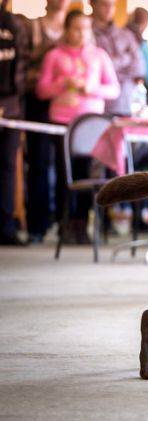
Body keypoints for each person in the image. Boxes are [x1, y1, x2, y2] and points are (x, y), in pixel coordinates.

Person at [36, 10, 120, 243]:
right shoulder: (54, 55)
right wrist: (63, 83)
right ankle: (65, 224)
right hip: (62, 122)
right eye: (76, 28)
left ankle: (83, 224)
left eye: (86, 28)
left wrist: (91, 89)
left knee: (88, 174)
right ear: (67, 29)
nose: (81, 33)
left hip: (91, 124)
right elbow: (41, 90)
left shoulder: (99, 56)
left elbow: (114, 89)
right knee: (65, 174)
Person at [21, 0, 70, 244]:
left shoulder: (75, 27)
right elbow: (23, 63)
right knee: (39, 165)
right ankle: (37, 226)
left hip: (67, 105)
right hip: (38, 102)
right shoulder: (34, 27)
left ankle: (65, 224)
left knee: (65, 167)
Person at [0, 0, 28, 246]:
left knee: (7, 166)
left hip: (10, 106)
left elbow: (20, 67)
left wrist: (13, 105)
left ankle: (6, 226)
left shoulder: (14, 25)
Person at [90, 0, 144, 116]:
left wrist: (112, 75)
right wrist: (125, 58)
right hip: (98, 106)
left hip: (125, 103)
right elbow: (94, 70)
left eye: (112, 5)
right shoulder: (86, 34)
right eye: (104, 4)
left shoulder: (126, 35)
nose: (109, 9)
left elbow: (139, 68)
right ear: (93, 4)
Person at [125, 7, 148, 108]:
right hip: (140, 91)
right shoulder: (141, 44)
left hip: (124, 91)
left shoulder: (122, 37)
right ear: (145, 23)